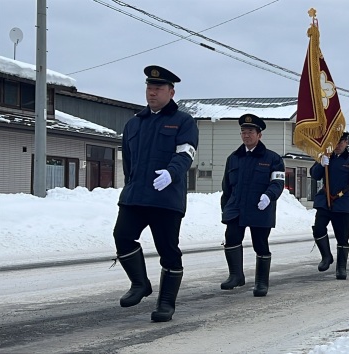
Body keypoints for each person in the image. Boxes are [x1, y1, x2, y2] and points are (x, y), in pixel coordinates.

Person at [112, 65, 199, 322]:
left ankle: (166, 303)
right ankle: (140, 283)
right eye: (149, 88)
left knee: (168, 250)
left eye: (158, 88)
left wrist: (172, 173)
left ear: (171, 92)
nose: (152, 93)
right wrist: (131, 184)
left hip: (166, 199)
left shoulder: (183, 121)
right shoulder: (134, 123)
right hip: (136, 196)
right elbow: (128, 161)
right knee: (122, 236)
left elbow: (186, 153)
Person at [220, 113, 285, 297]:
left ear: (259, 135)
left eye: (250, 132)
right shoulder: (234, 158)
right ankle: (236, 275)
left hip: (260, 208)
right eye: (243, 132)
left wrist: (269, 196)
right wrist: (225, 207)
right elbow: (226, 187)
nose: (246, 135)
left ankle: (261, 283)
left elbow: (277, 182)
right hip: (236, 207)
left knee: (260, 244)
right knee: (231, 238)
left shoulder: (272, 159)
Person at [310, 132, 349, 280]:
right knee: (318, 228)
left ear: (346, 142)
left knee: (342, 236)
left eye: (341, 142)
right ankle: (326, 256)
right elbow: (314, 175)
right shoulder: (325, 157)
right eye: (335, 142)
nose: (338, 145)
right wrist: (321, 164)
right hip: (324, 200)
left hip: (342, 201)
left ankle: (341, 267)